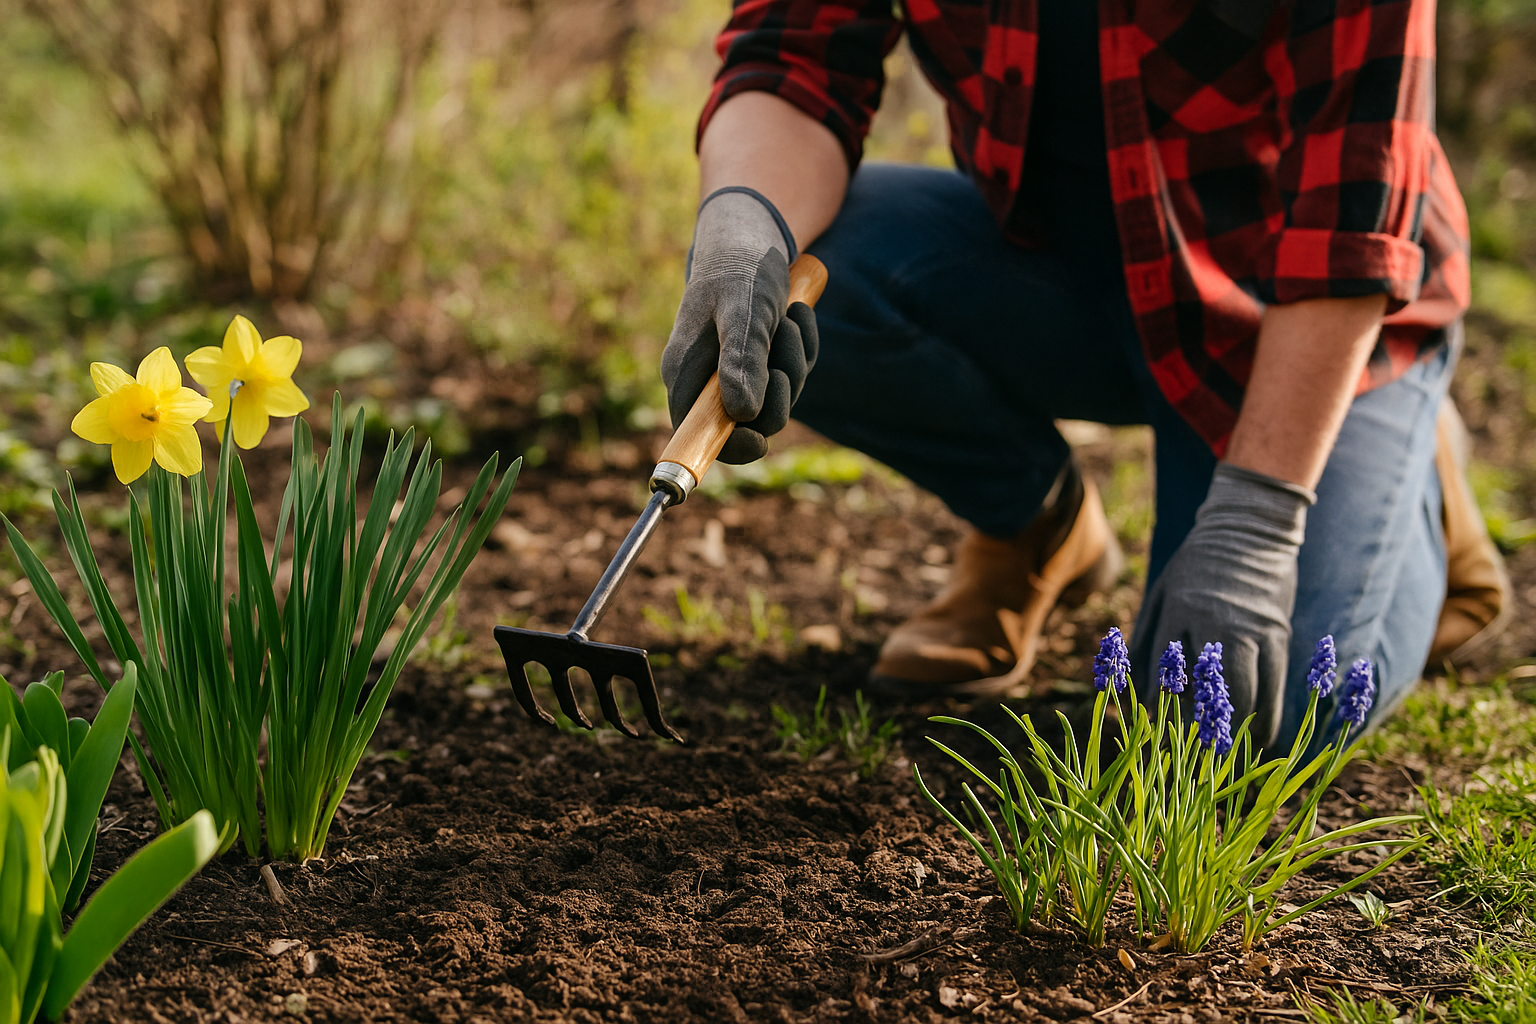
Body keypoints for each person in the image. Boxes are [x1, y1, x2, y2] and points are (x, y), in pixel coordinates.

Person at [659, 0, 1510, 750]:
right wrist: (742, 230)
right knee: (817, 279)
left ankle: (1404, 457)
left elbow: (1347, 209)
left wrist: (1258, 519)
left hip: (1293, 313)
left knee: (1258, 710)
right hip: (1056, 272)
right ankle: (1039, 523)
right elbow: (794, 54)